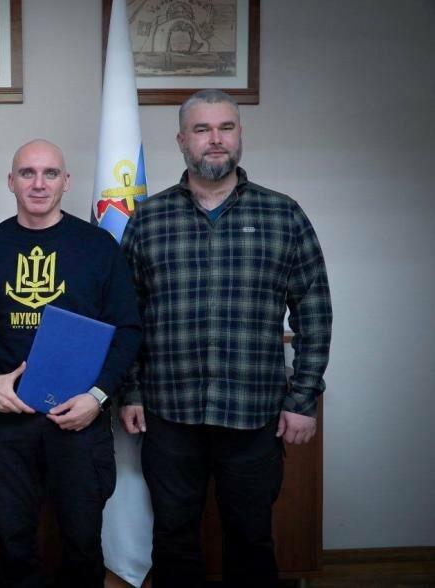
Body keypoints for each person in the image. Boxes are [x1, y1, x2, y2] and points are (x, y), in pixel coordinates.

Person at [120, 89, 333, 588]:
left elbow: (314, 311)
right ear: (181, 141)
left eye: (226, 128)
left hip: (253, 412)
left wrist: (303, 398)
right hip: (168, 411)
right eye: (202, 129)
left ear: (240, 135)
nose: (215, 139)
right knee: (173, 537)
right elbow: (127, 314)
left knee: (251, 538)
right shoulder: (148, 218)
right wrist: (130, 390)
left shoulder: (284, 214)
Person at [0, 139, 141, 587]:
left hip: (80, 422)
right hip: (8, 424)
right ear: (11, 181)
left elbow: (127, 330)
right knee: (13, 542)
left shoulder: (98, 247)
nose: (38, 184)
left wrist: (97, 397)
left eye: (50, 173)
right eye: (27, 173)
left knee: (82, 542)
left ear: (66, 182)